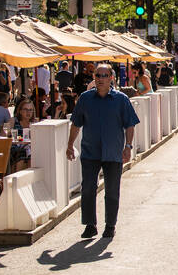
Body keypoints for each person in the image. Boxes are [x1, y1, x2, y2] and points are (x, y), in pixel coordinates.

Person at [67, 64, 140, 239]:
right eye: (98, 75)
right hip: (90, 151)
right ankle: (90, 225)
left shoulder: (121, 99)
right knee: (88, 189)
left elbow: (130, 124)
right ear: (94, 77)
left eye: (104, 75)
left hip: (113, 152)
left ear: (111, 78)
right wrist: (69, 145)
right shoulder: (85, 99)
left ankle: (110, 225)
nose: (100, 79)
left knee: (112, 191)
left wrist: (128, 147)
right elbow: (76, 123)